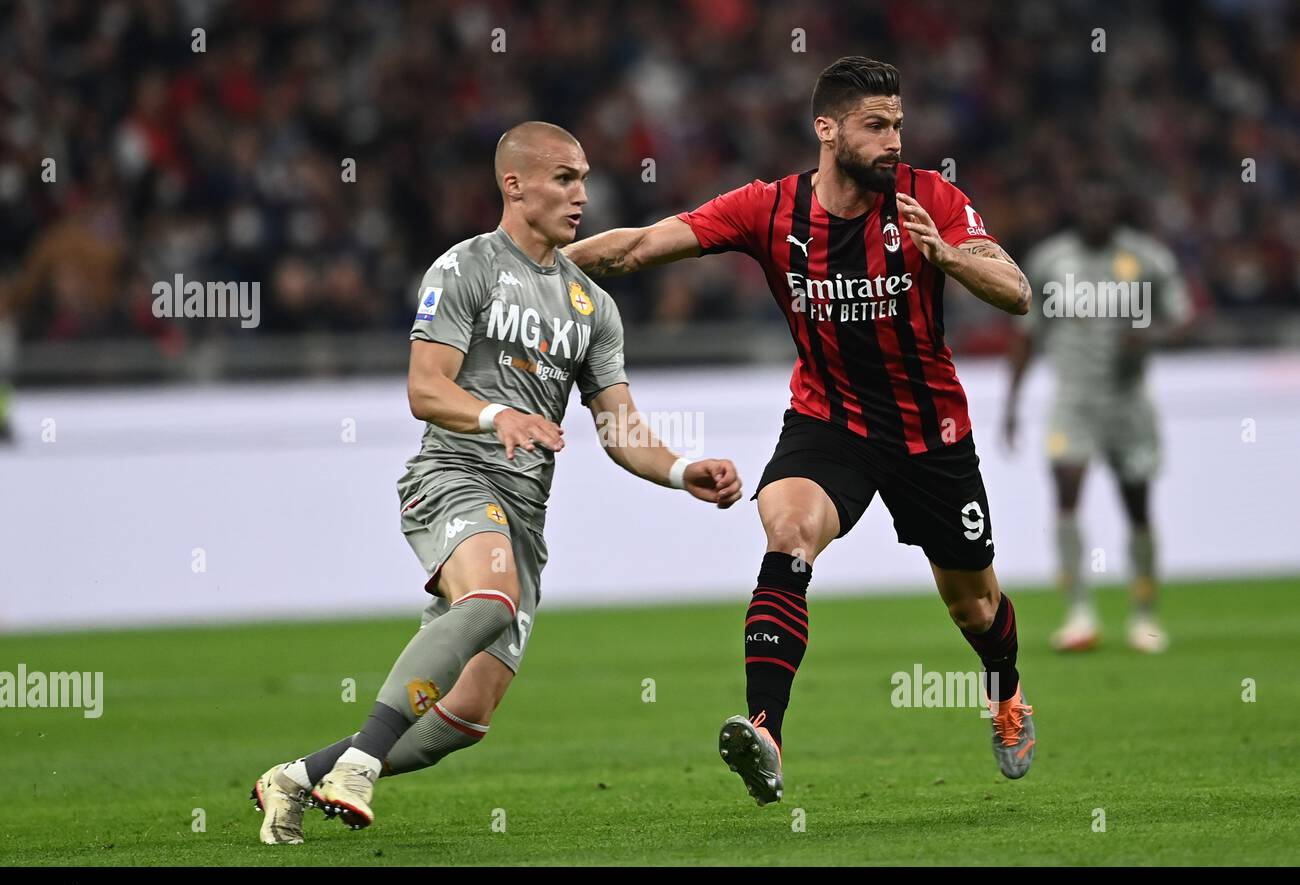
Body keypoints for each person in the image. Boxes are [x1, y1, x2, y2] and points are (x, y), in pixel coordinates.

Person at [251, 121, 743, 843]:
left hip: (523, 511)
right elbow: (425, 388)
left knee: (468, 716)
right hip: (451, 474)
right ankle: (357, 765)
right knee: (490, 597)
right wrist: (495, 415)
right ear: (514, 185)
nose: (583, 194)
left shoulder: (592, 307)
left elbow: (619, 427)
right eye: (564, 178)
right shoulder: (466, 268)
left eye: (583, 178)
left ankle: (294, 777)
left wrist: (678, 469)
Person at [566, 57, 1036, 806]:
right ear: (827, 129)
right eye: (876, 126)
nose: (893, 142)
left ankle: (1006, 690)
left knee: (974, 607)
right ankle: (767, 734)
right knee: (787, 534)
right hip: (829, 420)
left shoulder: (929, 197)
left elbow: (1015, 290)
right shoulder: (769, 210)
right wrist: (524, 269)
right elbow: (638, 246)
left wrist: (947, 254)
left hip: (930, 432)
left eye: (899, 126)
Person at [1004, 175, 1193, 653]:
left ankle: (1145, 614)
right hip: (1072, 401)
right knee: (1066, 496)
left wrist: (1148, 336)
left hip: (1129, 401)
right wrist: (1011, 404)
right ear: (1077, 210)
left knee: (1138, 507)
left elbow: (1184, 317)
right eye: (1088, 206)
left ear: (1115, 209)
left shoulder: (1146, 258)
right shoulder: (1050, 261)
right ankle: (1080, 612)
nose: (1097, 214)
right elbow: (1027, 335)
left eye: (1104, 206)